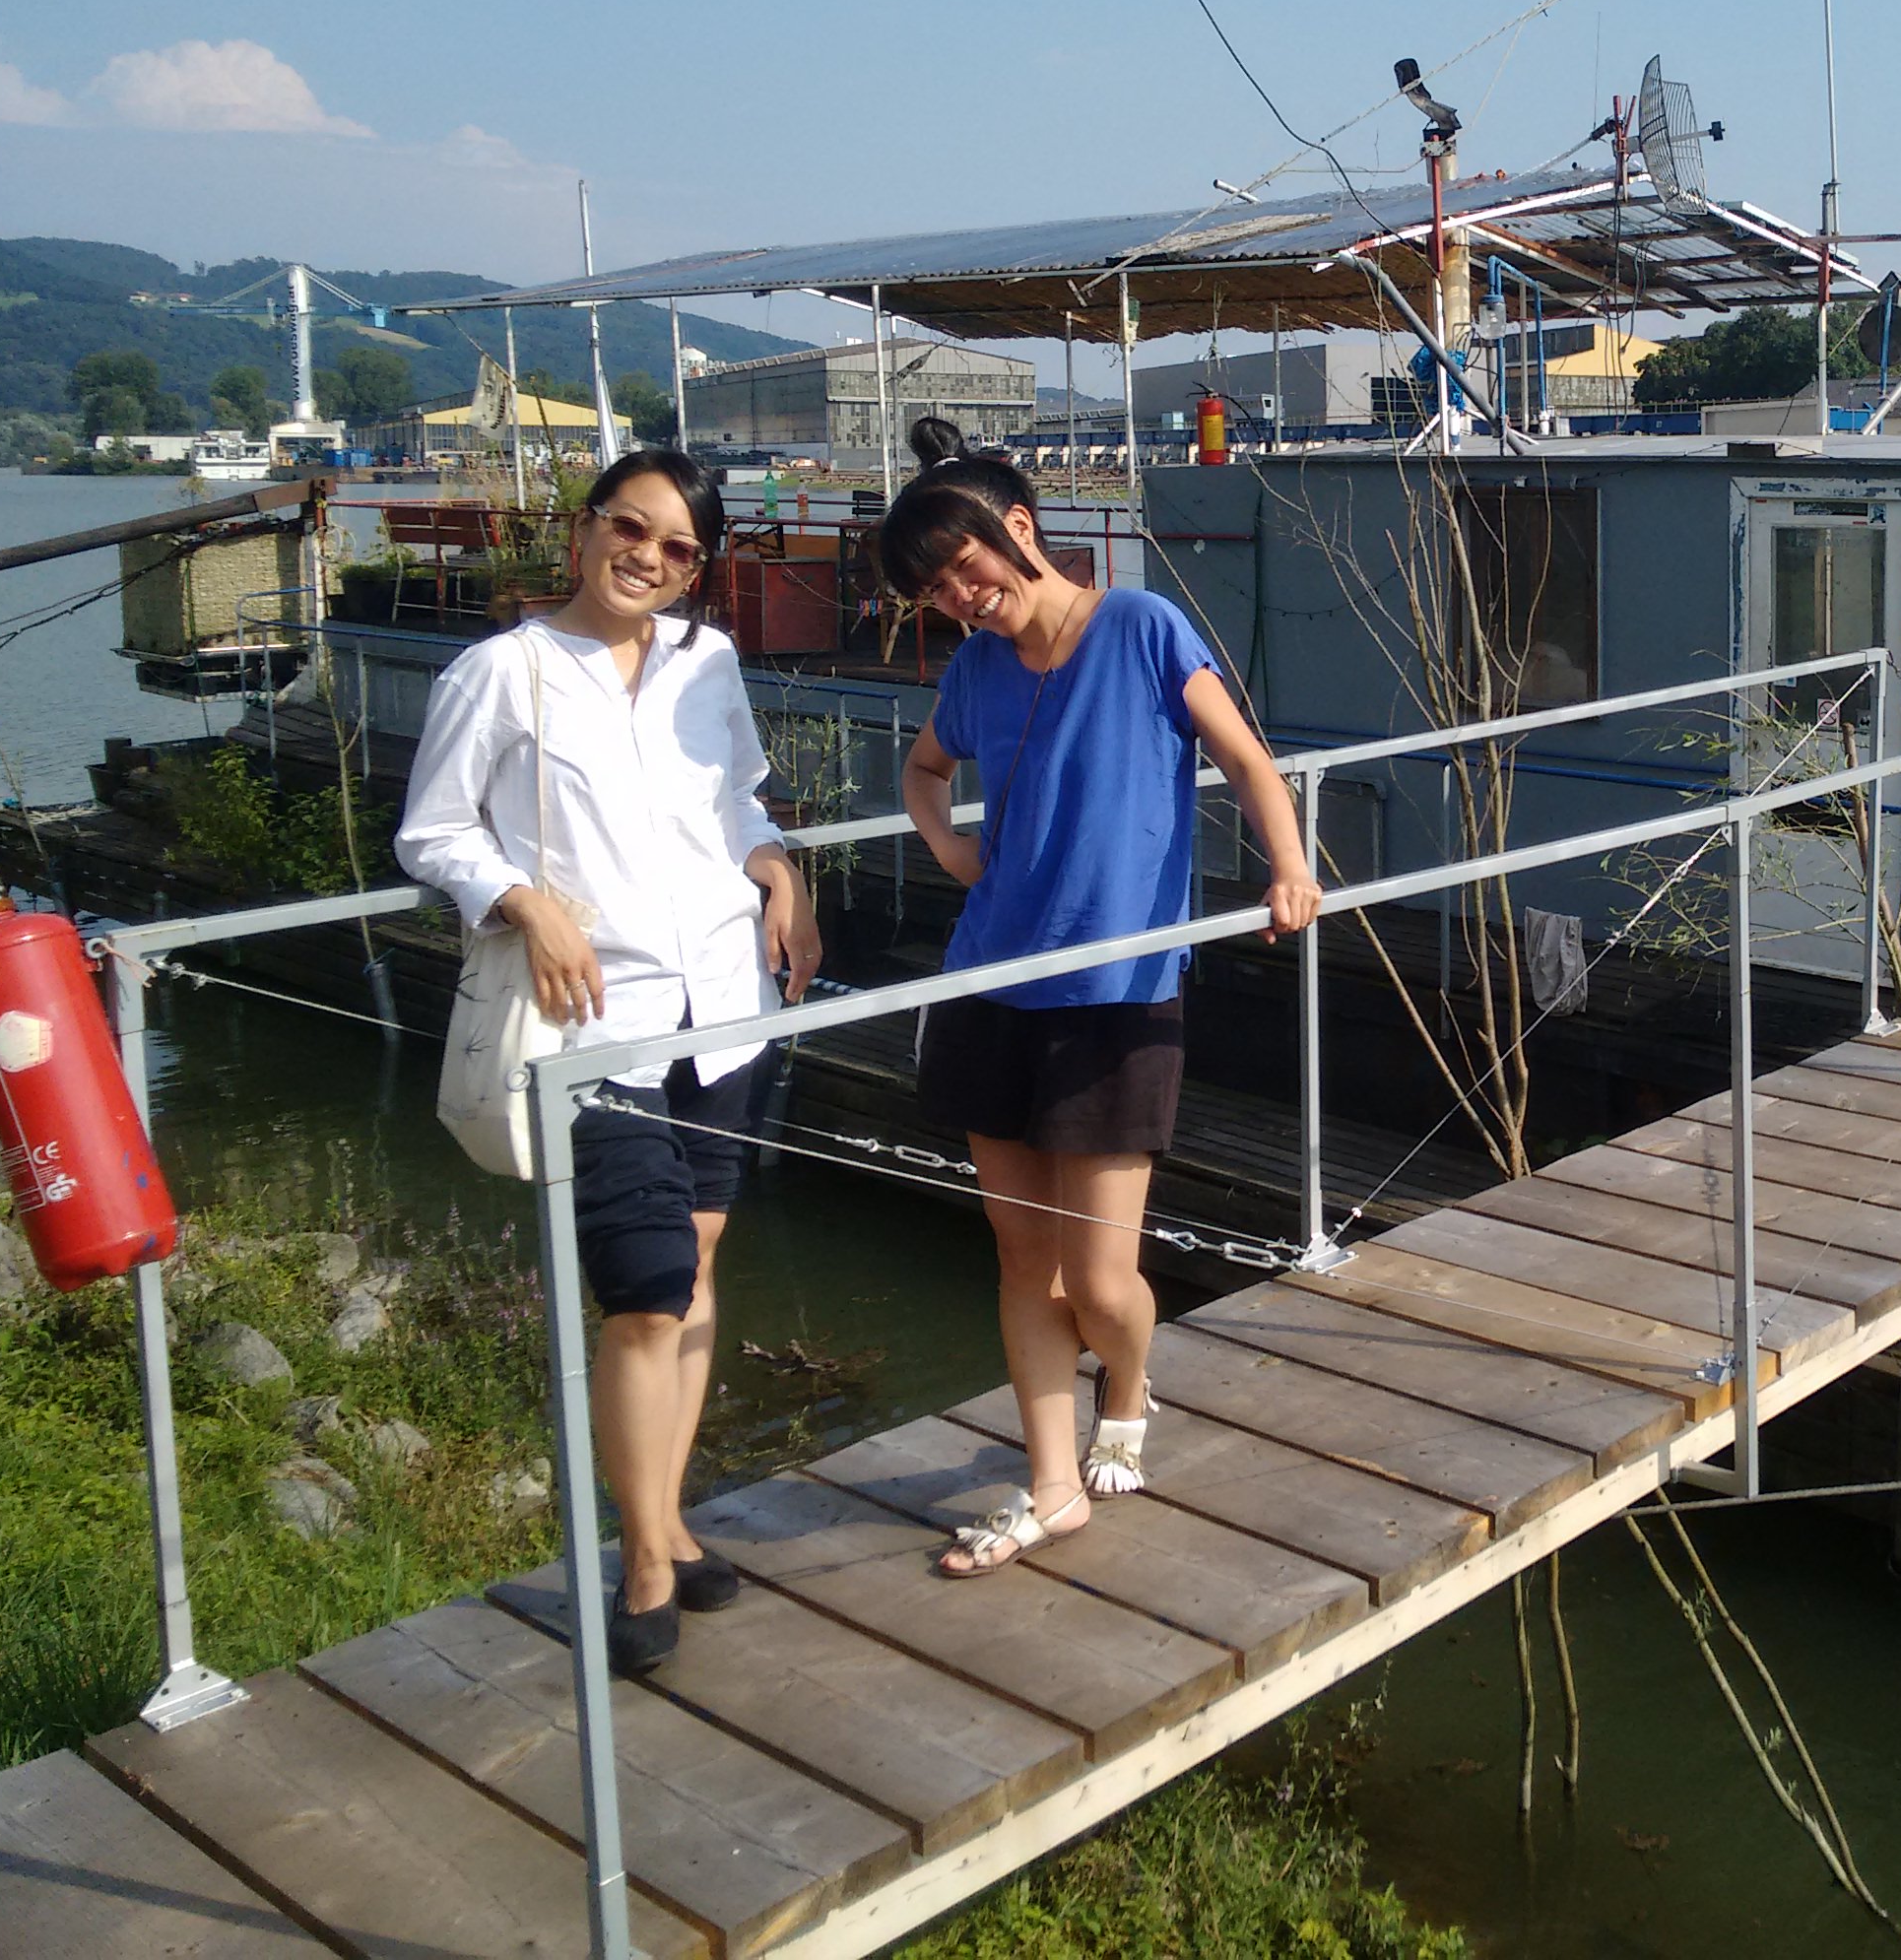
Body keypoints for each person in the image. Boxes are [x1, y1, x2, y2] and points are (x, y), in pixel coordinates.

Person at [397, 448, 821, 1670]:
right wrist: (522, 900)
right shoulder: (505, 671)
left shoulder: (710, 663)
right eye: (629, 529)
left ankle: (669, 1517)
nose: (648, 557)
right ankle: (640, 1560)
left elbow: (733, 799)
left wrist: (779, 865)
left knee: (696, 1261)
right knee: (645, 1291)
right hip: (594, 1021)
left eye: (679, 547)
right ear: (585, 532)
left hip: (726, 1001)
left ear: (699, 568)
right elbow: (432, 829)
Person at [883, 417, 1317, 1573]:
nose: (958, 598)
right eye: (934, 589)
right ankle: (1051, 1483)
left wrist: (1288, 865)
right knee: (1023, 1262)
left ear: (1019, 530)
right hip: (993, 979)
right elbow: (923, 770)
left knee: (1101, 1277)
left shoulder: (1138, 625)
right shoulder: (975, 670)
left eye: (965, 567)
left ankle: (1127, 1374)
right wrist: (952, 850)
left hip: (1119, 993)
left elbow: (1244, 758)